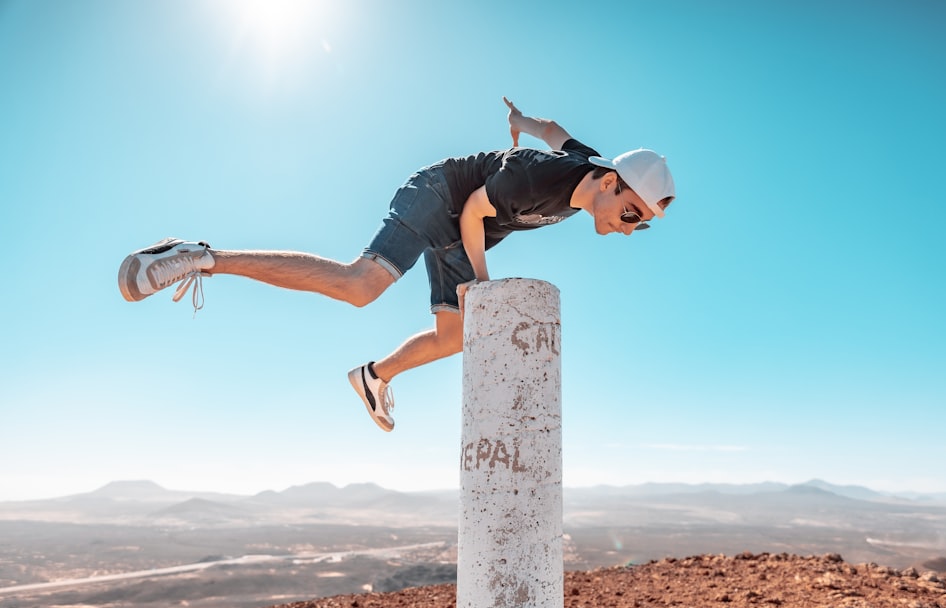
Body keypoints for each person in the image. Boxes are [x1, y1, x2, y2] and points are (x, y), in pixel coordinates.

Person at [118, 98, 675, 432]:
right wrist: (481, 289)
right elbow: (477, 210)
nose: (629, 226)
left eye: (639, 222)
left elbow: (558, 133)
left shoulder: (584, 167)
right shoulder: (538, 179)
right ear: (609, 182)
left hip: (463, 222)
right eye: (630, 212)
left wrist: (521, 119)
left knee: (456, 335)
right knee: (361, 285)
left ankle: (373, 377)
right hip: (442, 196)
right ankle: (200, 257)